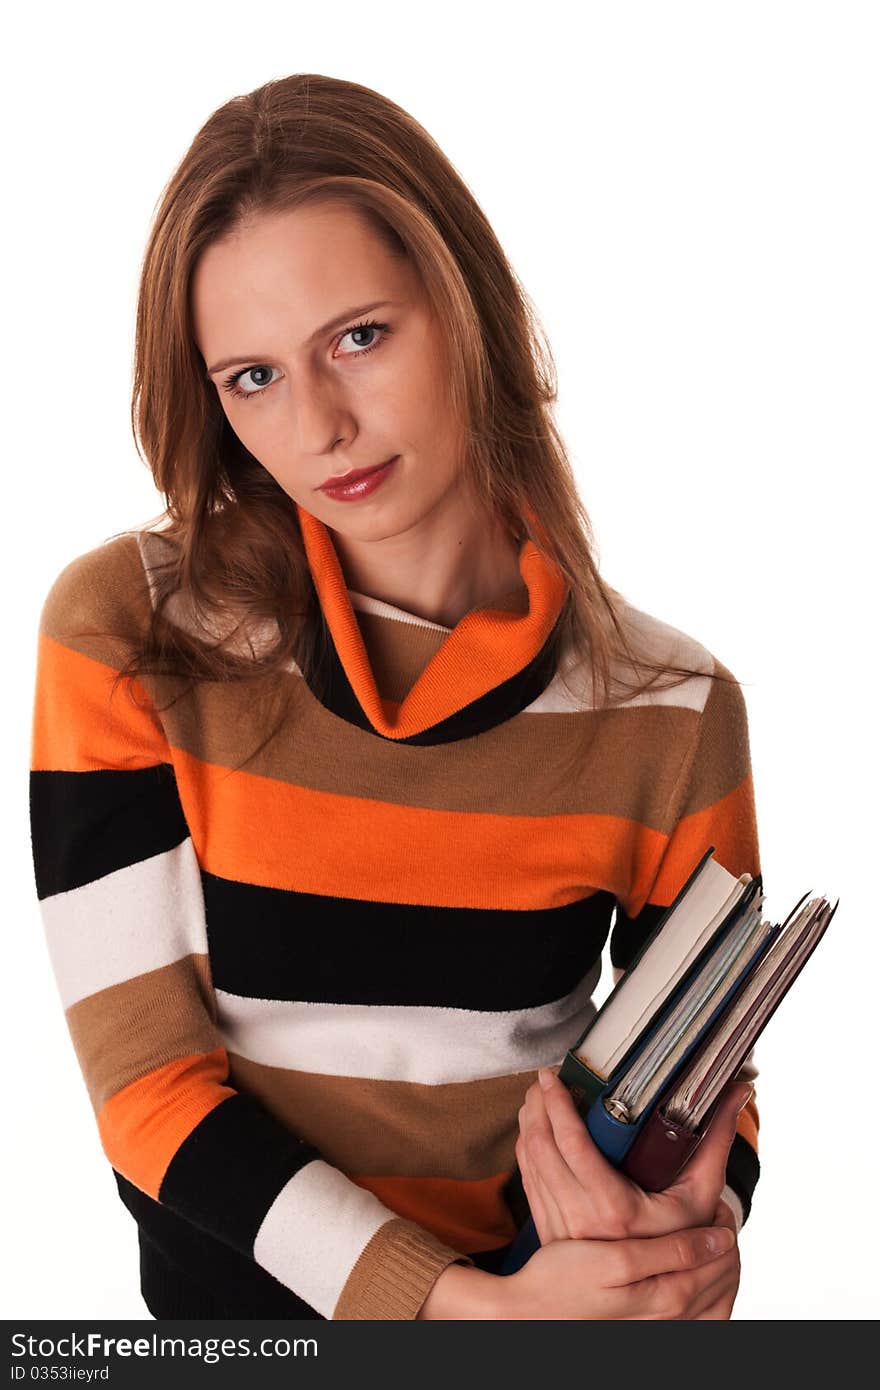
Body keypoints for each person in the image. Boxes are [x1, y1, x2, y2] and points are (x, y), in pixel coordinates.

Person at [28, 72, 761, 1320]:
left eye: (358, 337)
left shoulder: (673, 710)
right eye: (251, 377)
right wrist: (461, 1315)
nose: (320, 426)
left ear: (466, 308)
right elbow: (147, 1093)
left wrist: (680, 1238)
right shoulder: (130, 631)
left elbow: (704, 1088)